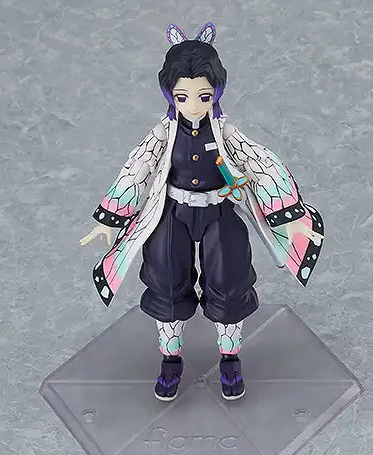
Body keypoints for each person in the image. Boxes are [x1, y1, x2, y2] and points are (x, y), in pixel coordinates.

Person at [81, 22, 324, 402]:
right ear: (170, 94)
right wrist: (110, 218)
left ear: (216, 92)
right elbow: (137, 168)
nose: (193, 106)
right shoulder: (164, 135)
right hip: (172, 213)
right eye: (183, 97)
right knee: (165, 281)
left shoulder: (225, 133)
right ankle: (170, 359)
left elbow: (262, 164)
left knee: (229, 281)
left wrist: (290, 217)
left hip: (219, 213)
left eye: (203, 96)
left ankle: (230, 358)